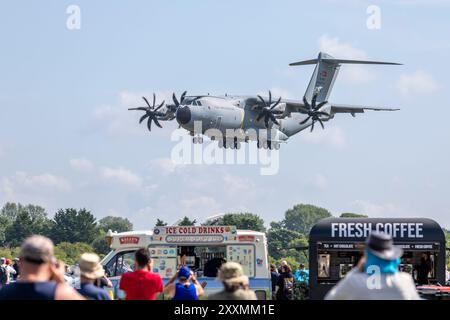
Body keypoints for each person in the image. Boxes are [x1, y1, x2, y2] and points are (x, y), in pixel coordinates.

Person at [325, 231, 420, 300]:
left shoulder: (354, 281)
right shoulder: (405, 280)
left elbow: (331, 298)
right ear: (392, 256)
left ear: (367, 255)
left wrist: (356, 269)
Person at [0, 235, 84, 300]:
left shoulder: (4, 292)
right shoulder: (60, 294)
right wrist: (61, 283)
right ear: (51, 263)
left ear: (20, 262)